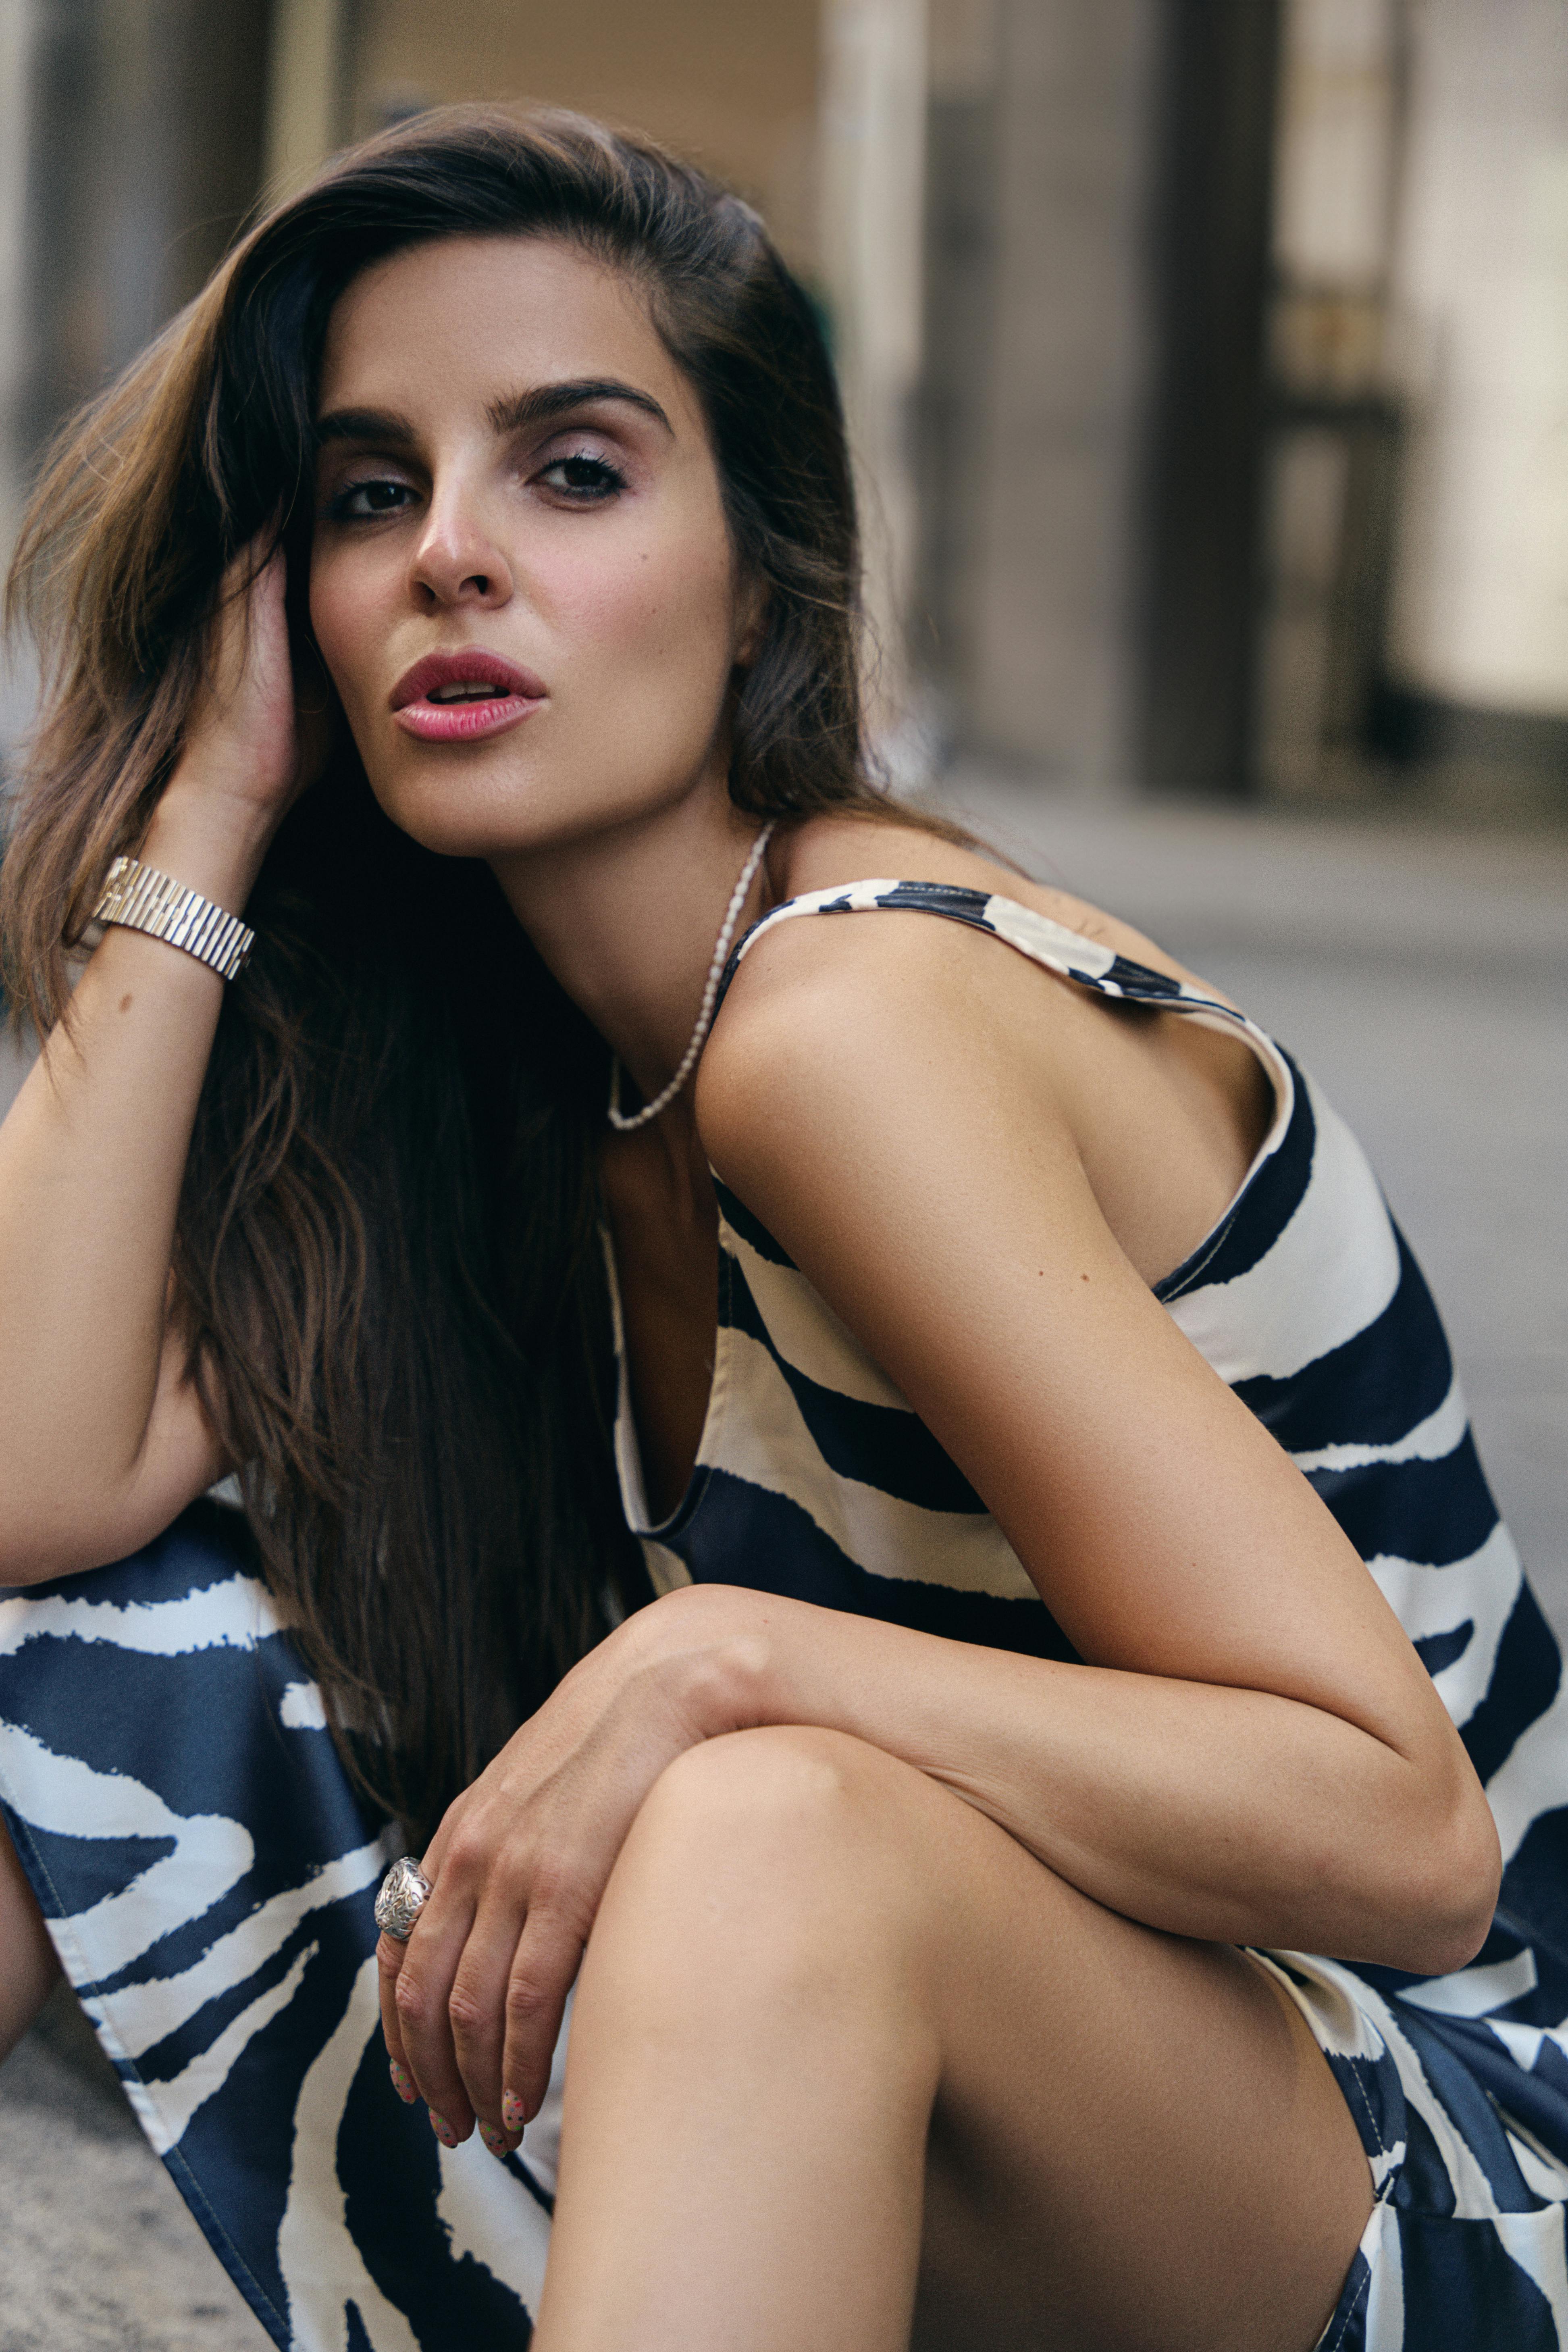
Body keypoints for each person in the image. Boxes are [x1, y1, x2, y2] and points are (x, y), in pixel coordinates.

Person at [0, 106, 1562, 2352]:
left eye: (571, 470)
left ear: (763, 568)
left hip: (1424, 2154)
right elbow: (34, 1493)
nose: (448, 552)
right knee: (85, 1637)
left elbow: (1402, 1836)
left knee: (766, 1826)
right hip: (918, 2087)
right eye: (367, 492)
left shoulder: (853, 1020)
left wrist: (727, 1660)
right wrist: (213, 804)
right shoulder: (479, 1069)